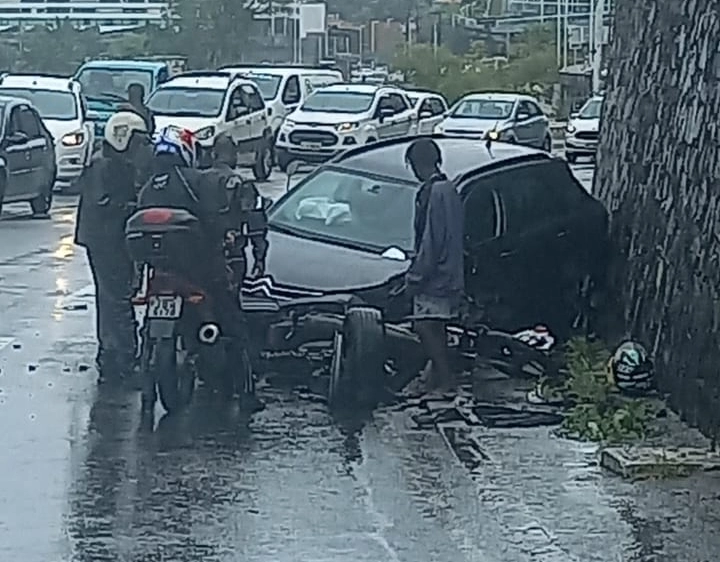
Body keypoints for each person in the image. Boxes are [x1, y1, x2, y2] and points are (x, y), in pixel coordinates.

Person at [135, 127, 259, 405]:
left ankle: (145, 385)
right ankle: (247, 391)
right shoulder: (197, 181)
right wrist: (224, 234)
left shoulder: (147, 188)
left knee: (146, 331)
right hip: (199, 269)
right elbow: (216, 218)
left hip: (160, 273)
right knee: (234, 322)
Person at [74, 111, 151, 384]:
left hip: (112, 239)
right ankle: (121, 357)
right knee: (115, 298)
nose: (142, 148)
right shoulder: (103, 165)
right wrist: (134, 208)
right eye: (138, 141)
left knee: (113, 297)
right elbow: (103, 204)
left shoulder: (117, 163)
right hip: (106, 240)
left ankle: (114, 356)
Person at [404, 138, 465, 391]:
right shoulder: (450, 189)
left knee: (424, 325)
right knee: (437, 326)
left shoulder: (431, 193)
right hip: (451, 270)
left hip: (436, 276)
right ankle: (435, 378)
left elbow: (431, 240)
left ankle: (446, 378)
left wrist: (415, 277)